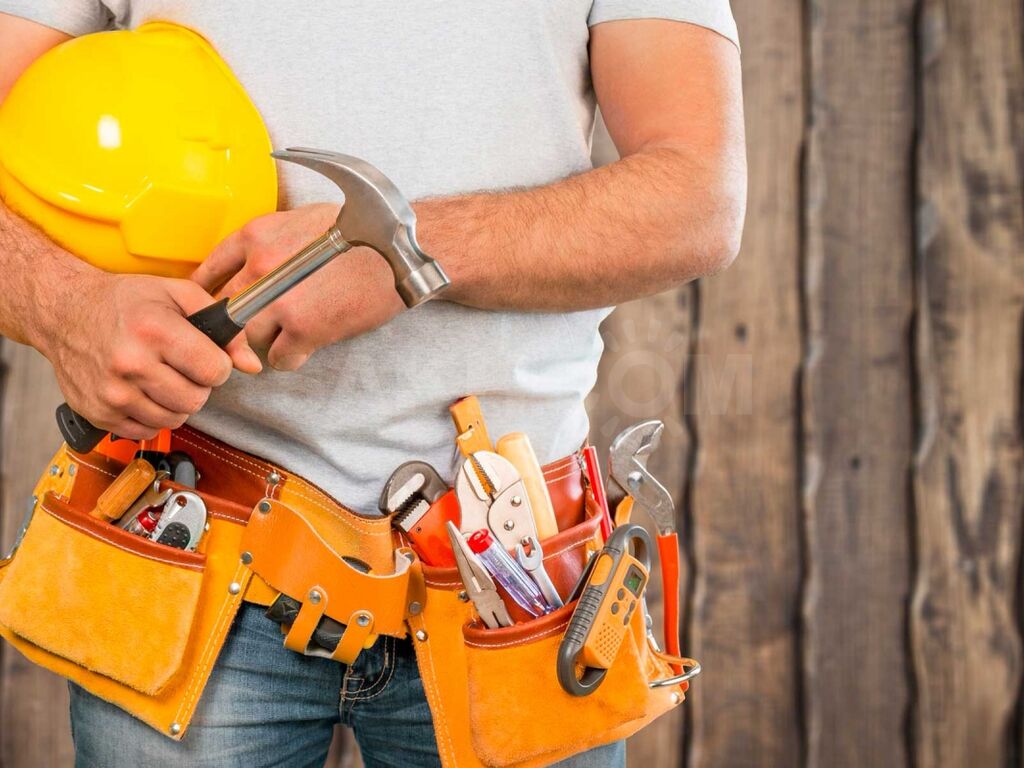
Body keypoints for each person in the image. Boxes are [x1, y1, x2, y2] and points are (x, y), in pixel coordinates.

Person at [0, 3, 745, 766]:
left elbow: (699, 198)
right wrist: (66, 307)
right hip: (190, 544)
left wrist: (409, 250)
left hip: (509, 581)